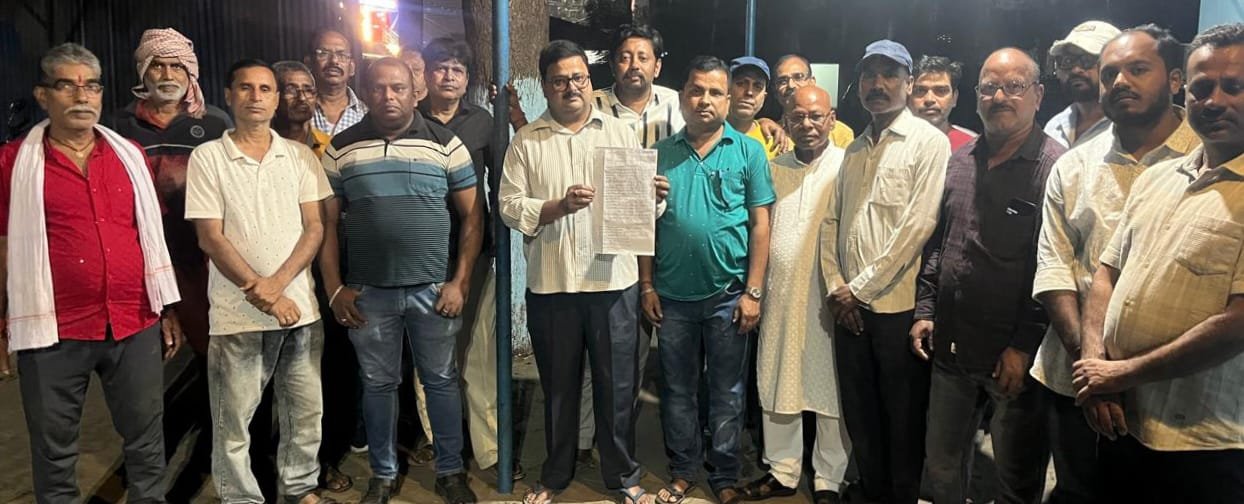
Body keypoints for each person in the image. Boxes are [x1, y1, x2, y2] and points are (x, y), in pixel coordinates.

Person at [2, 42, 182, 504]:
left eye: (92, 86)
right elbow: (2, 245)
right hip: (53, 330)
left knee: (146, 440)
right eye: (68, 85)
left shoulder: (129, 156)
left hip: (134, 320)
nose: (82, 96)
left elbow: (149, 237)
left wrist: (166, 309)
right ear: (43, 95)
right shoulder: (13, 164)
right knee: (54, 450)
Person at [1030, 24, 1198, 504]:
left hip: (1177, 388)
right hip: (1075, 378)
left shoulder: (1208, 158)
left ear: (1175, 80)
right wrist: (1093, 372)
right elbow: (1054, 270)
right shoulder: (1073, 166)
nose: (1121, 81)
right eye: (1110, 74)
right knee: (1078, 490)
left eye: (1138, 69)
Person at [499, 39, 668, 504]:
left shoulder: (619, 133)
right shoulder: (527, 142)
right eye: (560, 81)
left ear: (590, 83)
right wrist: (557, 207)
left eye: (578, 78)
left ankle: (624, 476)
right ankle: (555, 475)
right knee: (558, 388)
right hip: (552, 286)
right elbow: (509, 206)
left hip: (613, 283)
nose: (571, 87)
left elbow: (641, 212)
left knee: (617, 387)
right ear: (545, 87)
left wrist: (654, 198)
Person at [319, 57, 480, 504]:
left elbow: (473, 216)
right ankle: (383, 474)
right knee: (378, 385)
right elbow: (325, 224)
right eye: (378, 88)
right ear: (365, 92)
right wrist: (334, 289)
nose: (388, 96)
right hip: (368, 294)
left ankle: (450, 471)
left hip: (433, 290)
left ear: (415, 91)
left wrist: (460, 282)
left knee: (441, 381)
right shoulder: (341, 148)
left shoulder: (445, 144)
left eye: (398, 88)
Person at [914, 48, 1064, 503]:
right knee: (942, 466)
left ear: (1038, 95)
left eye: (1014, 86)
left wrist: (1023, 347)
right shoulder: (961, 160)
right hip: (952, 347)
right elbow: (941, 245)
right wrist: (926, 310)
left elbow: (1054, 268)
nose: (1000, 97)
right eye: (989, 87)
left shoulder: (1055, 168)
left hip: (1013, 359)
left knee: (1014, 479)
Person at [184, 58, 333, 504]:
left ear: (276, 99)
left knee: (305, 415)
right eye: (246, 88)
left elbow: (315, 228)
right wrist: (261, 293)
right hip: (238, 317)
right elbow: (210, 237)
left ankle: (299, 489)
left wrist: (278, 285)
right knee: (233, 422)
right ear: (228, 96)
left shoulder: (300, 157)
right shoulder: (208, 158)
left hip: (300, 311)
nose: (256, 97)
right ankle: (240, 498)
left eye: (266, 89)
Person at [819, 39, 949, 504]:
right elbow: (831, 222)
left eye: (889, 75)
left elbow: (918, 226)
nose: (878, 84)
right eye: (869, 75)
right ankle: (871, 491)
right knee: (861, 413)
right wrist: (837, 287)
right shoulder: (854, 149)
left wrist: (858, 289)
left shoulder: (928, 143)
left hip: (896, 308)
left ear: (909, 84)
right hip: (849, 309)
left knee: (902, 418)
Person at [644, 55, 775, 504]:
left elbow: (760, 224)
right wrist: (647, 285)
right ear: (682, 97)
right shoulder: (659, 154)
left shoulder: (748, 152)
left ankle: (724, 475)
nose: (705, 100)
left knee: (727, 392)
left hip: (728, 296)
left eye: (715, 92)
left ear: (728, 99)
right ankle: (683, 469)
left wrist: (753, 291)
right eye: (696, 90)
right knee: (677, 391)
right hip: (672, 297)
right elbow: (644, 225)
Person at [416, 35, 521, 480]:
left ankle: (491, 449)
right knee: (430, 357)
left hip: (474, 252)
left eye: (457, 69)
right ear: (426, 73)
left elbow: (502, 183)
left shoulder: (482, 122)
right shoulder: (409, 120)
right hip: (421, 255)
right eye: (441, 67)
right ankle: (440, 443)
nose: (448, 75)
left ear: (467, 79)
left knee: (479, 355)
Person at [741, 85, 850, 504]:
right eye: (798, 117)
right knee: (778, 377)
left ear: (832, 119)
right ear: (786, 121)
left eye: (816, 116)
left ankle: (829, 479)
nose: (807, 124)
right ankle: (782, 470)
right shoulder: (773, 168)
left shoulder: (846, 165)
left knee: (831, 387)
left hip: (829, 295)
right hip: (780, 292)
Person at [112, 27, 232, 357]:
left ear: (190, 71)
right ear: (143, 70)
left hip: (204, 259)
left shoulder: (215, 123)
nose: (167, 75)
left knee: (215, 355)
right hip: (144, 260)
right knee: (152, 358)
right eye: (158, 65)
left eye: (177, 66)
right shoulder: (119, 126)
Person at [1044, 20, 1120, 148]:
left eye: (1088, 60)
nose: (1075, 70)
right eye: (1067, 61)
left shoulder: (1130, 126)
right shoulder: (1055, 126)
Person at [771, 54, 855, 148]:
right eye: (782, 81)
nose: (791, 85)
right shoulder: (768, 133)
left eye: (798, 77)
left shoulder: (840, 133)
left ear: (812, 82)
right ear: (775, 90)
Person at [909, 55, 977, 151]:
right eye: (920, 90)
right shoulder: (891, 142)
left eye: (941, 91)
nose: (929, 99)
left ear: (954, 98)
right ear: (907, 97)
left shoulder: (972, 145)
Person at [307, 29, 368, 135]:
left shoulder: (366, 116)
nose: (334, 61)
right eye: (324, 54)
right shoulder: (299, 110)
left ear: (352, 67)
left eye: (342, 55)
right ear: (309, 63)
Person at [273, 60, 331, 156]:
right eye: (291, 90)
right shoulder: (258, 144)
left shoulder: (329, 147)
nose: (302, 98)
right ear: (274, 96)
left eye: (308, 90)